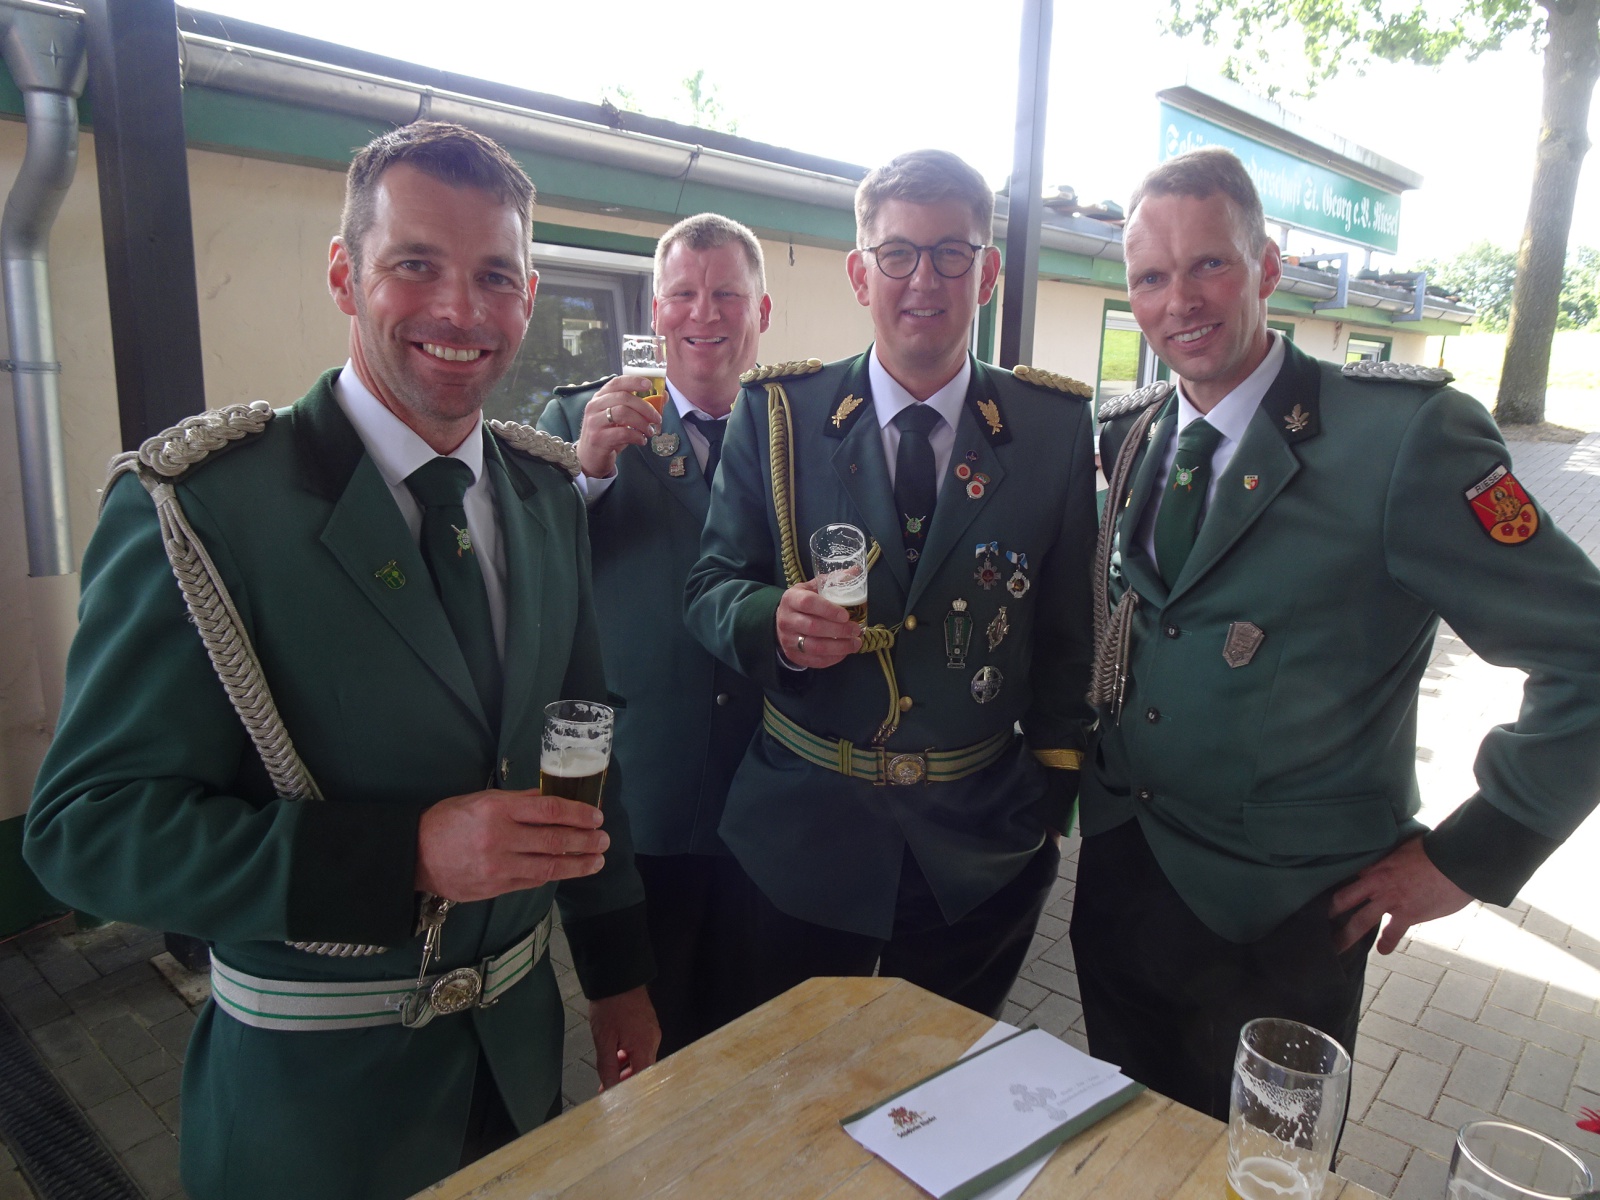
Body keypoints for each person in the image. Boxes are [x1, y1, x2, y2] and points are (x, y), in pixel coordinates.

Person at [24, 121, 659, 1200]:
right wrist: (402, 855)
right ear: (342, 274)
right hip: (315, 1120)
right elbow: (86, 832)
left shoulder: (546, 495)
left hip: (519, 1071)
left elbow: (584, 748)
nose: (460, 310)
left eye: (493, 276)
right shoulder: (207, 511)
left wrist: (616, 976)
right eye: (415, 264)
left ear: (527, 296)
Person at [1073, 145, 1600, 1119]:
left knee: (1261, 1168)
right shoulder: (1133, 431)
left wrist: (1471, 855)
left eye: (1209, 264)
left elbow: (1588, 653)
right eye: (1150, 277)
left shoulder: (1401, 439)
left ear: (1267, 268)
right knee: (1123, 1144)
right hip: (1122, 875)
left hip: (1283, 915)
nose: (1179, 300)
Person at [684, 149, 1097, 1020]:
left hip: (977, 847)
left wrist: (1046, 814)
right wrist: (772, 621)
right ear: (859, 273)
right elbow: (711, 584)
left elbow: (1069, 639)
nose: (924, 280)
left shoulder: (1051, 429)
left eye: (951, 253)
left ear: (987, 273)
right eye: (898, 253)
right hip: (801, 833)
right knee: (791, 1076)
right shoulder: (782, 412)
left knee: (938, 1084)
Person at [537, 213, 770, 1054]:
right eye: (683, 293)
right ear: (655, 311)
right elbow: (530, 569)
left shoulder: (795, 430)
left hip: (766, 791)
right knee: (649, 1044)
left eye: (726, 294)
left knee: (755, 1037)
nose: (703, 313)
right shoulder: (579, 419)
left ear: (761, 313)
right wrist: (588, 473)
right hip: (644, 791)